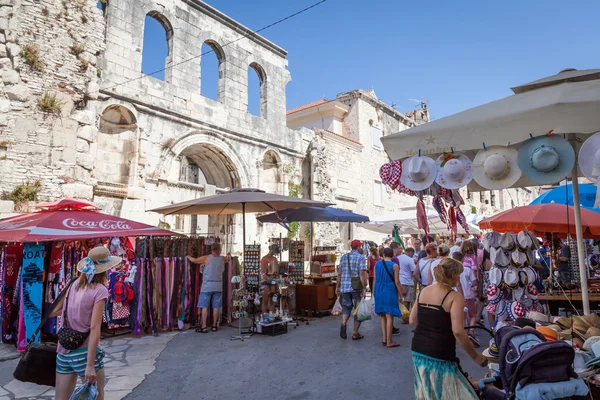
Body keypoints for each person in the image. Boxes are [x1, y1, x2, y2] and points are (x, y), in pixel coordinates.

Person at [410, 258, 488, 400]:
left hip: (418, 350)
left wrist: (428, 332)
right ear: (453, 275)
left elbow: (412, 320)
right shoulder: (454, 296)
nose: (459, 278)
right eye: (458, 274)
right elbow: (458, 331)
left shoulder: (424, 291)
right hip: (441, 354)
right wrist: (476, 356)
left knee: (428, 394)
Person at [53, 246, 119, 400]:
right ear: (105, 269)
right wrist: (90, 365)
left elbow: (55, 310)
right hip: (84, 353)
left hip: (63, 352)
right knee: (96, 396)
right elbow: (95, 328)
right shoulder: (100, 290)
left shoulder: (73, 284)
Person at [187, 242, 230, 333]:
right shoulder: (222, 259)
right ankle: (214, 326)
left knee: (204, 306)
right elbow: (228, 259)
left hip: (207, 286)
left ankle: (204, 327)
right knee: (216, 307)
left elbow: (195, 261)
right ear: (219, 249)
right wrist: (228, 255)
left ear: (212, 249)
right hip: (218, 285)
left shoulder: (207, 258)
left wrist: (188, 257)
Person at [336, 239, 369, 340]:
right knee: (357, 310)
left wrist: (337, 286)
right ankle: (355, 333)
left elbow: (339, 273)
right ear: (358, 247)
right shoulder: (361, 258)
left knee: (346, 307)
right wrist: (365, 287)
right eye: (361, 246)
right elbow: (362, 274)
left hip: (345, 287)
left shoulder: (344, 257)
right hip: (356, 288)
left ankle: (344, 322)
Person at [374, 247, 404, 347]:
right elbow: (397, 281)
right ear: (392, 255)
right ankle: (389, 340)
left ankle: (384, 339)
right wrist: (401, 292)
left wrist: (374, 292)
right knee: (389, 315)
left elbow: (374, 279)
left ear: (383, 255)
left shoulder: (377, 264)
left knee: (382, 315)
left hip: (378, 289)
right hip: (389, 290)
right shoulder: (394, 265)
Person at [393, 245, 417, 322]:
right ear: (410, 253)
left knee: (401, 299)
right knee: (407, 300)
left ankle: (403, 315)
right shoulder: (410, 260)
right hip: (408, 282)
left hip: (399, 281)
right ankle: (405, 318)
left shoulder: (397, 258)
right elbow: (414, 272)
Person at [260, 245, 279, 314]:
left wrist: (276, 281)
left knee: (272, 299)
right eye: (274, 252)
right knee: (265, 300)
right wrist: (268, 279)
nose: (274, 254)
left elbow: (276, 272)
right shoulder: (264, 259)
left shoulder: (275, 259)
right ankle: (264, 316)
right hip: (266, 281)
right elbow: (262, 272)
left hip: (273, 280)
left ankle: (271, 316)